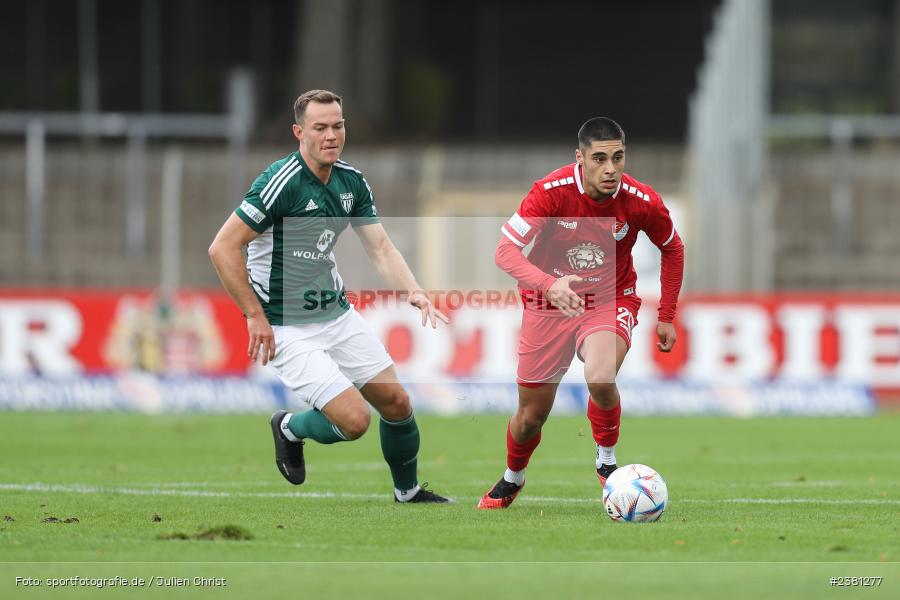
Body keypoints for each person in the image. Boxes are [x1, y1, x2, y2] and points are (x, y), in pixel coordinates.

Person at [209, 89, 452, 504]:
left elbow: (380, 247)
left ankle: (407, 492)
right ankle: (289, 427)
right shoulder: (278, 184)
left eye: (337, 126)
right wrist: (254, 315)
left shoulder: (351, 182)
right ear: (298, 132)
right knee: (355, 421)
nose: (331, 135)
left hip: (335, 314)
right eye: (320, 127)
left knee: (396, 402)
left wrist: (414, 291)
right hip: (285, 325)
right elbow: (222, 248)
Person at [477, 117, 684, 509]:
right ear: (580, 158)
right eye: (600, 159)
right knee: (530, 416)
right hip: (548, 305)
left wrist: (667, 314)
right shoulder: (550, 193)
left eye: (618, 158)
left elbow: (673, 248)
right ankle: (512, 477)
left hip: (610, 299)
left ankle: (607, 464)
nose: (610, 169)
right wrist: (549, 284)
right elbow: (504, 252)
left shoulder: (642, 201)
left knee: (601, 377)